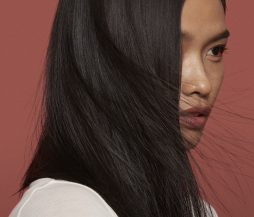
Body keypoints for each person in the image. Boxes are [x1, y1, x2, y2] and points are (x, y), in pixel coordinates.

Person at [8, 0, 229, 216]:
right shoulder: (65, 209)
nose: (203, 84)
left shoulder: (197, 211)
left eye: (215, 50)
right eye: (171, 49)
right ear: (102, 56)